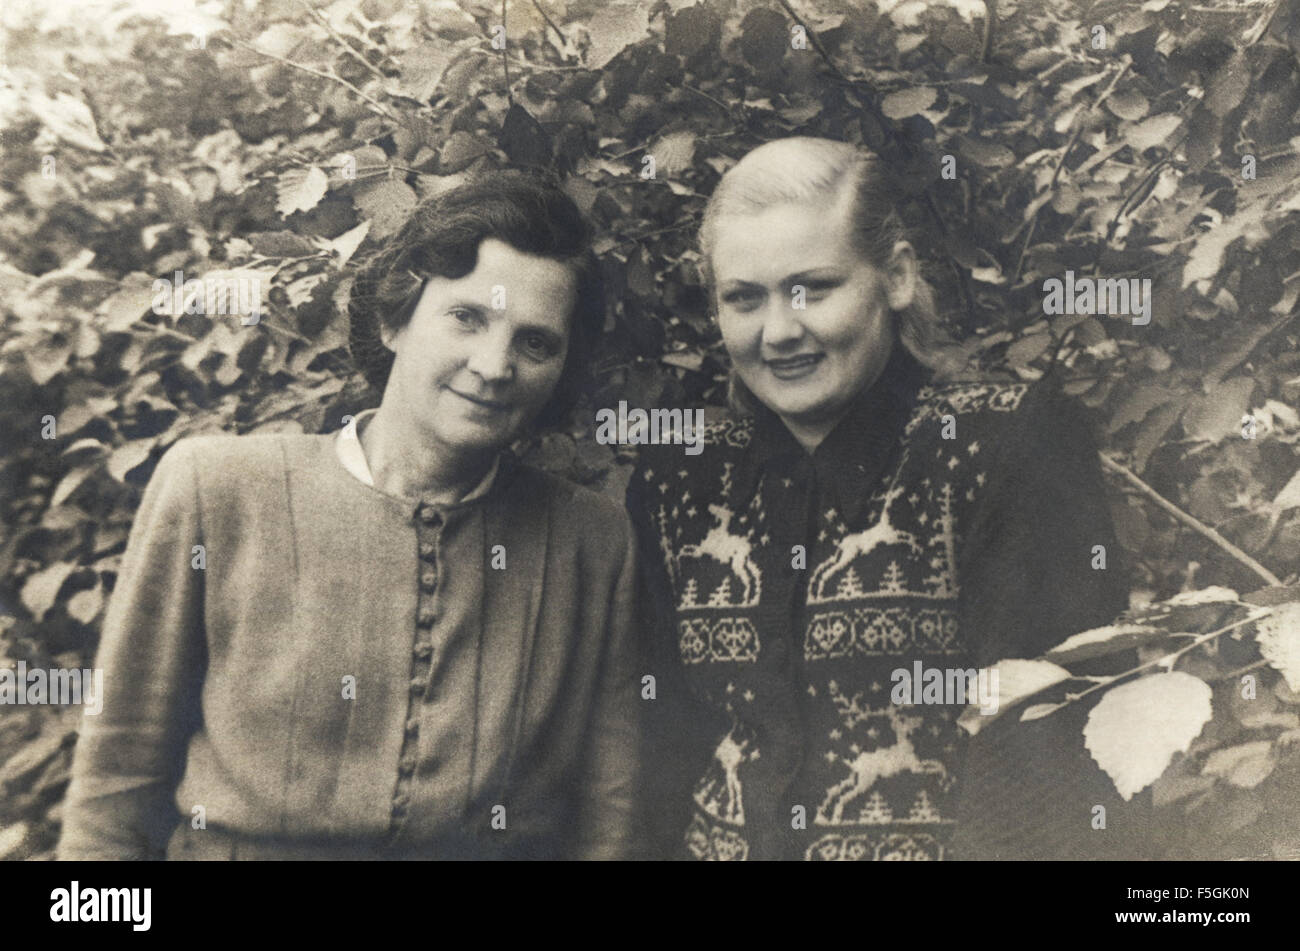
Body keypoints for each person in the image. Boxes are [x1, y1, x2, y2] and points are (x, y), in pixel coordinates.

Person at [59, 169, 642, 861]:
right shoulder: (215, 491)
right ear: (395, 319)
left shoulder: (589, 540)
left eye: (535, 343)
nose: (493, 365)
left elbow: (611, 815)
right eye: (468, 317)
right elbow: (115, 782)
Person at [628, 136, 1152, 861]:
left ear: (896, 277)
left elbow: (1045, 749)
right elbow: (659, 742)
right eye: (744, 298)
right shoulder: (679, 476)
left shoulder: (1005, 442)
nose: (779, 331)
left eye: (813, 287)